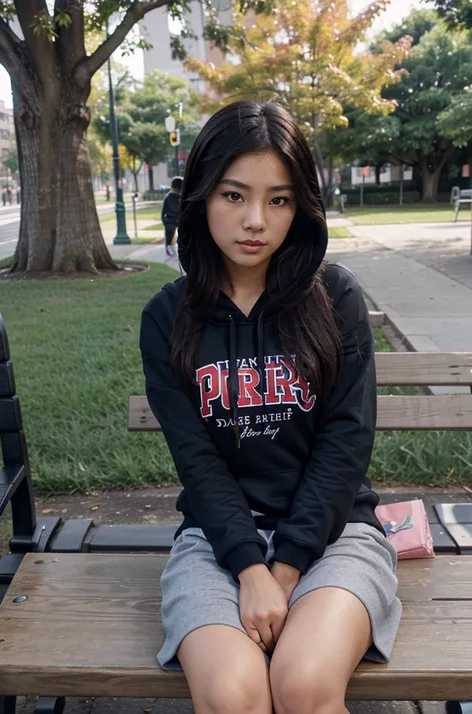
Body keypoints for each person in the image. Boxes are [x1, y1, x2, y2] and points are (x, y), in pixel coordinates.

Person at [140, 100, 401, 714]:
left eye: (279, 200)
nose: (255, 220)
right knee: (233, 696)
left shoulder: (334, 297)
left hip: (336, 535)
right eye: (234, 195)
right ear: (202, 196)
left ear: (301, 207)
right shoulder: (167, 319)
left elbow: (346, 443)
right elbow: (197, 462)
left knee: (304, 686)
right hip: (216, 541)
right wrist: (250, 569)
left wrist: (283, 569)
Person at [161, 176, 182, 256]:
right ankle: (170, 246)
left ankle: (173, 247)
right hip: (171, 222)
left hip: (177, 222)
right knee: (171, 233)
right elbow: (164, 212)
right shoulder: (169, 198)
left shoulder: (180, 198)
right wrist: (165, 221)